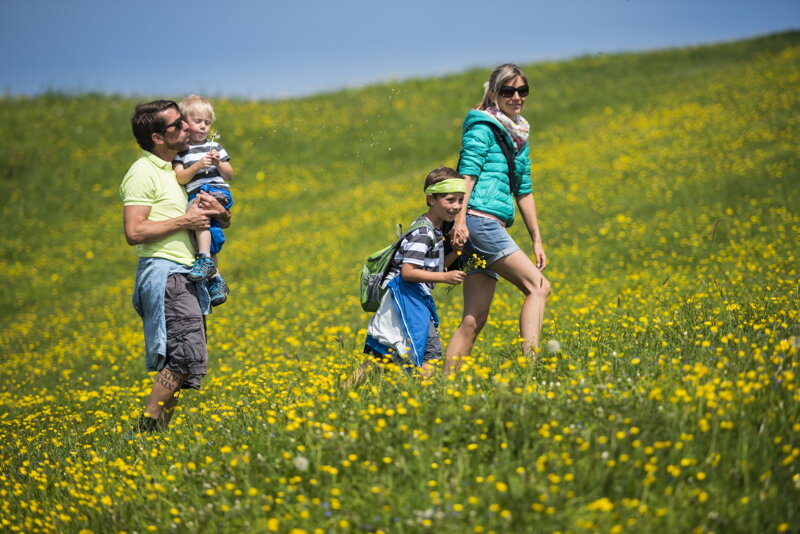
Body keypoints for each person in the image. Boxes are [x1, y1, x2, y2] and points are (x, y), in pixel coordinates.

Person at [120, 100, 231, 435]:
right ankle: (145, 428)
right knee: (184, 356)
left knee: (186, 359)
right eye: (178, 125)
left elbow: (210, 221)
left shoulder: (175, 171)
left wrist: (220, 214)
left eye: (186, 122)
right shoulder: (143, 173)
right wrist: (186, 219)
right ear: (157, 137)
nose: (187, 127)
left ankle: (155, 436)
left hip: (187, 274)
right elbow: (134, 231)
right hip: (166, 274)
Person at [446, 63, 550, 375]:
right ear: (494, 93)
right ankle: (531, 368)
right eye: (508, 91)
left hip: (485, 226)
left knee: (475, 317)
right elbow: (467, 175)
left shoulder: (518, 134)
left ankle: (445, 388)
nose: (516, 97)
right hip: (480, 222)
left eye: (522, 91)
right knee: (539, 287)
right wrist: (460, 222)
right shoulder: (483, 127)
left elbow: (524, 190)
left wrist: (536, 239)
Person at [345, 168, 467, 386]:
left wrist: (456, 252)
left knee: (380, 357)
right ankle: (424, 396)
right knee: (430, 352)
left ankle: (344, 391)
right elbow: (409, 272)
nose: (456, 206)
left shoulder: (433, 231)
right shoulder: (424, 233)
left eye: (460, 200)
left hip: (407, 296)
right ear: (431, 199)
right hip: (406, 296)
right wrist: (446, 278)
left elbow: (432, 268)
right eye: (450, 200)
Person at [172, 95, 234, 306]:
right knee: (207, 235)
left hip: (216, 192)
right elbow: (180, 176)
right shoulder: (181, 152)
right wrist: (197, 166)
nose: (203, 126)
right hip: (198, 192)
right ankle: (216, 279)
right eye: (198, 121)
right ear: (185, 123)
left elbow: (229, 174)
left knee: (198, 217)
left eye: (207, 123)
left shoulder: (215, 146)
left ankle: (205, 259)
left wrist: (218, 163)